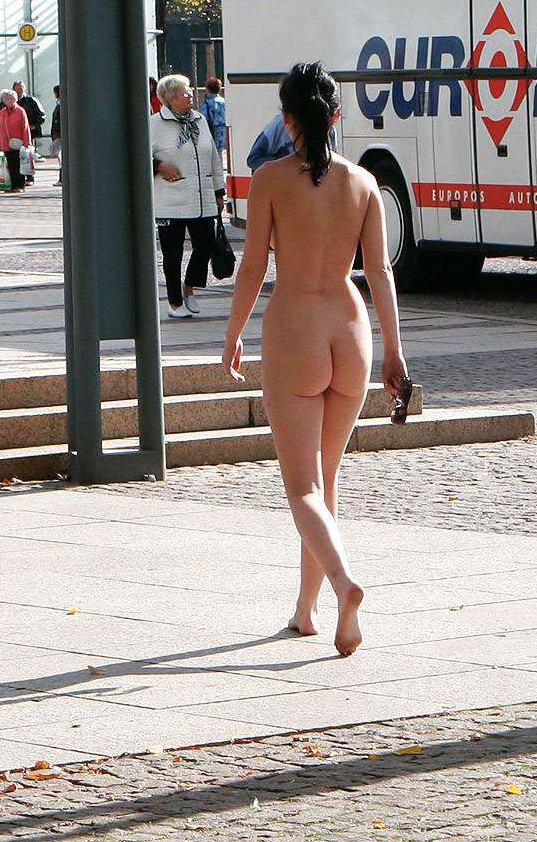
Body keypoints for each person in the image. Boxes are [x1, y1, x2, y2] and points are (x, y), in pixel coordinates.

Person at [221, 61, 407, 658]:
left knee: (302, 488)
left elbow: (253, 265)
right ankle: (307, 611)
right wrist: (395, 351)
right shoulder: (364, 183)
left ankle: (344, 585)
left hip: (296, 327)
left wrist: (233, 332)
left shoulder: (270, 179)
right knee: (328, 482)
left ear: (287, 119)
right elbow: (380, 272)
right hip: (351, 331)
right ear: (337, 115)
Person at [151, 73, 225, 319]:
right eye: (185, 92)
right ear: (171, 99)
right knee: (172, 255)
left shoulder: (199, 120)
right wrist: (159, 166)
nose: (191, 94)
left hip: (201, 198)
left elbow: (213, 156)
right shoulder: (154, 124)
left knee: (206, 245)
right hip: (170, 201)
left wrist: (219, 191)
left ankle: (190, 285)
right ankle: (174, 303)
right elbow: (137, 156)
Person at [0, 88, 31, 193]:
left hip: (18, 142)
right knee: (9, 165)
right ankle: (12, 186)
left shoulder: (20, 111)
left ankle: (20, 186)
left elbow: (25, 127)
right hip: (6, 143)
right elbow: (0, 128)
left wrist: (26, 142)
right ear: (3, 100)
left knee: (18, 164)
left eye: (11, 99)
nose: (9, 101)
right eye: (7, 99)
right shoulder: (2, 112)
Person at [201, 77, 228, 156]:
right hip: (224, 130)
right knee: (221, 153)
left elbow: (203, 118)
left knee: (213, 154)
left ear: (207, 89)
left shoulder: (207, 103)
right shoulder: (224, 101)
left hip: (212, 130)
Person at [50, 85, 64, 186]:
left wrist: (56, 133)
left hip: (59, 134)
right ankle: (61, 179)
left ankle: (62, 179)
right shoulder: (59, 104)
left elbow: (57, 121)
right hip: (58, 134)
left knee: (62, 158)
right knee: (61, 158)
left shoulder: (60, 105)